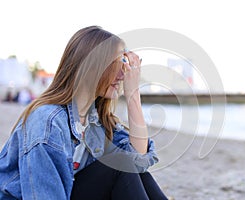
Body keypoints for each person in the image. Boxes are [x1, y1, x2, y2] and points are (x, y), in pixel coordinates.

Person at [0, 26, 168, 199]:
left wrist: (133, 95)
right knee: (120, 163)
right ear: (92, 67)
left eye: (123, 63)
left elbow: (138, 162)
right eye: (116, 63)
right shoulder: (48, 122)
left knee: (131, 169)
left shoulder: (94, 120)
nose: (122, 74)